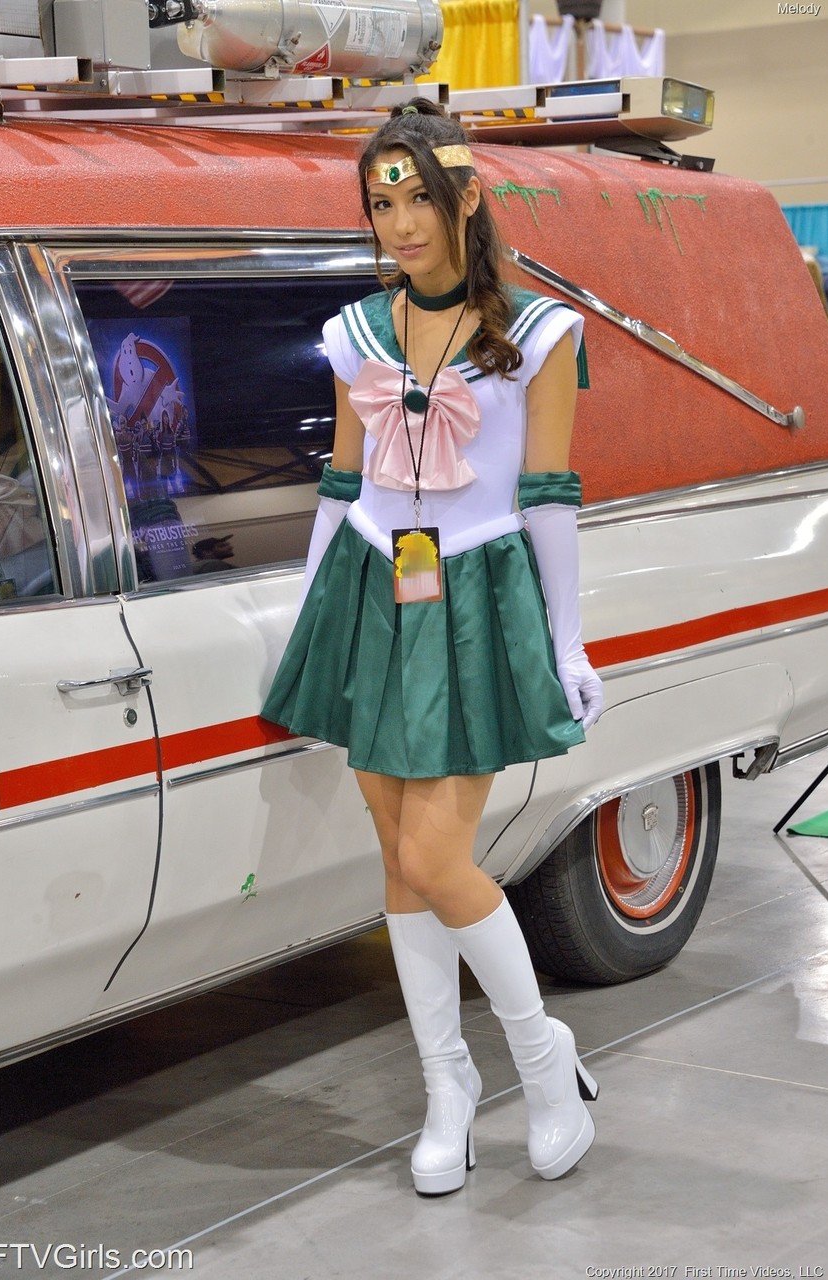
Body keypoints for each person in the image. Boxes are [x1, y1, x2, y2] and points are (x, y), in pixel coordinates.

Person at [262, 99, 604, 1196]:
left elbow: (548, 496)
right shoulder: (356, 332)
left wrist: (568, 643)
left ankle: (543, 1063)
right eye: (381, 202)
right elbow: (340, 482)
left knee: (436, 859)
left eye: (418, 197)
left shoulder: (540, 332)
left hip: (477, 597)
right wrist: (314, 611)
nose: (401, 223)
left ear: (467, 197)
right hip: (375, 587)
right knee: (394, 852)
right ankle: (446, 1087)